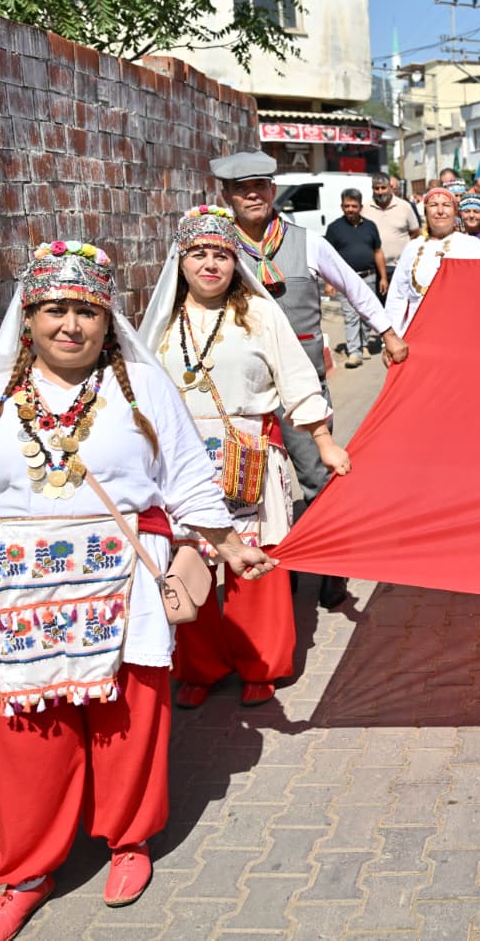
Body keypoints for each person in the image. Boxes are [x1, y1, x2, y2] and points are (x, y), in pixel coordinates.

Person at [0, 239, 273, 940]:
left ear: (107, 320)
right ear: (28, 319)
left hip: (125, 588)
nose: (70, 325)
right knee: (28, 740)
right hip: (23, 597)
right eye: (54, 309)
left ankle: (129, 841)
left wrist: (232, 545)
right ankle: (27, 872)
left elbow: (188, 479)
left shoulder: (142, 390)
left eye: (86, 311)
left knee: (129, 724)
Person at [139, 207, 344, 709]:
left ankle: (261, 664)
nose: (210, 265)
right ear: (180, 260)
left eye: (221, 255)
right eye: (199, 254)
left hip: (248, 450)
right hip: (182, 460)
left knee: (254, 563)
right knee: (190, 560)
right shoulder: (163, 320)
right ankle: (200, 666)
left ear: (236, 262)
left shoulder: (259, 313)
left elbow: (298, 378)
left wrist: (323, 441)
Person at [212, 150, 407, 611]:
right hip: (242, 390)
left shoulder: (307, 242)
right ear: (226, 196)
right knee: (255, 485)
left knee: (318, 478)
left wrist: (388, 333)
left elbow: (353, 288)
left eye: (259, 186)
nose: (252, 196)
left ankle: (332, 568)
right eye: (241, 189)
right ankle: (277, 568)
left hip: (301, 387)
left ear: (272, 190)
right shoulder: (218, 248)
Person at [386, 186, 480, 334]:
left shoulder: (472, 245)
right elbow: (397, 295)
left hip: (459, 330)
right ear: (425, 212)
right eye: (434, 205)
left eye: (446, 205)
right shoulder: (413, 247)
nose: (440, 211)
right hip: (417, 332)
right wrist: (392, 336)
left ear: (455, 212)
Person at [323, 187, 387, 368]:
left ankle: (364, 344)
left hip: (368, 277)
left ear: (360, 207)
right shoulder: (334, 228)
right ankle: (354, 352)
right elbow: (327, 257)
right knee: (350, 315)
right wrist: (328, 282)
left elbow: (378, 251)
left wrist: (383, 277)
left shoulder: (370, 226)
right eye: (346, 206)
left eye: (354, 206)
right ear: (341, 206)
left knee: (367, 314)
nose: (350, 209)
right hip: (345, 280)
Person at [365, 172, 422, 293]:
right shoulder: (365, 208)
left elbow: (415, 234)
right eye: (376, 188)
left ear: (390, 188)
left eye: (383, 188)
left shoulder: (405, 206)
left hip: (399, 267)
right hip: (374, 270)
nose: (380, 192)